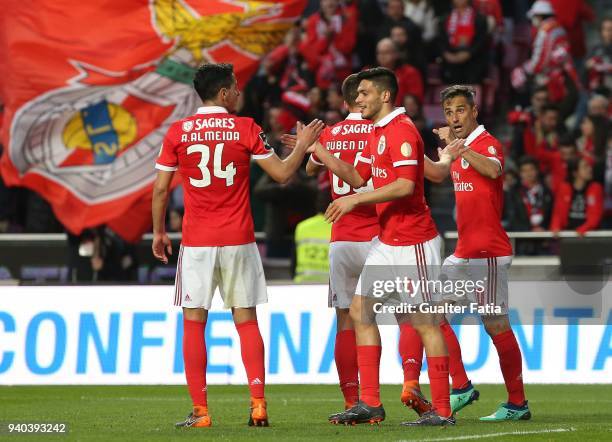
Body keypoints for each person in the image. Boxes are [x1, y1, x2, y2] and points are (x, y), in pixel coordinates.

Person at [151, 63, 324, 428]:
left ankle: (200, 412)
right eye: (236, 87)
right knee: (246, 321)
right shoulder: (246, 127)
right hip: (238, 238)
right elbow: (281, 174)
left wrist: (159, 232)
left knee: (194, 322)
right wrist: (304, 147)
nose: (240, 93)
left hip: (197, 241)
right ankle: (258, 405)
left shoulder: (179, 131)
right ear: (225, 93)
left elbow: (161, 189)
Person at [281, 73, 461, 416]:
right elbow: (357, 177)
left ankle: (441, 409)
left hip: (414, 240)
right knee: (361, 312)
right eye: (358, 94)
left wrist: (355, 202)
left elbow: (406, 186)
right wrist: (318, 150)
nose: (358, 98)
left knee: (424, 321)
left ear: (386, 95)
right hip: (385, 239)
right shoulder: (376, 133)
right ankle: (371, 404)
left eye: (365, 93)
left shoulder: (402, 130)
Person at [428, 85, 532, 421]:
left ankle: (518, 404)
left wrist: (460, 149)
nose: (454, 117)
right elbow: (441, 171)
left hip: (487, 252)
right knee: (430, 313)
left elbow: (493, 170)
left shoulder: (488, 144)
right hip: (463, 252)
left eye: (460, 110)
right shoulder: (460, 148)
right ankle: (460, 386)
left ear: (474, 111)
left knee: (496, 324)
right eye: (448, 112)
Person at [437, 0, 489, 85]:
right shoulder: (445, 18)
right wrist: (446, 54)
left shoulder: (480, 19)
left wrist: (468, 54)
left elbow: (481, 42)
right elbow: (440, 40)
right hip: (450, 59)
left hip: (472, 59)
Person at [550, 157, 604, 235]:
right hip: (567, 233)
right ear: (575, 173)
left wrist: (582, 230)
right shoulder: (564, 188)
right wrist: (555, 227)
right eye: (585, 167)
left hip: (588, 234)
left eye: (589, 166)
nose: (590, 169)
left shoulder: (596, 188)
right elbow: (558, 213)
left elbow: (595, 215)